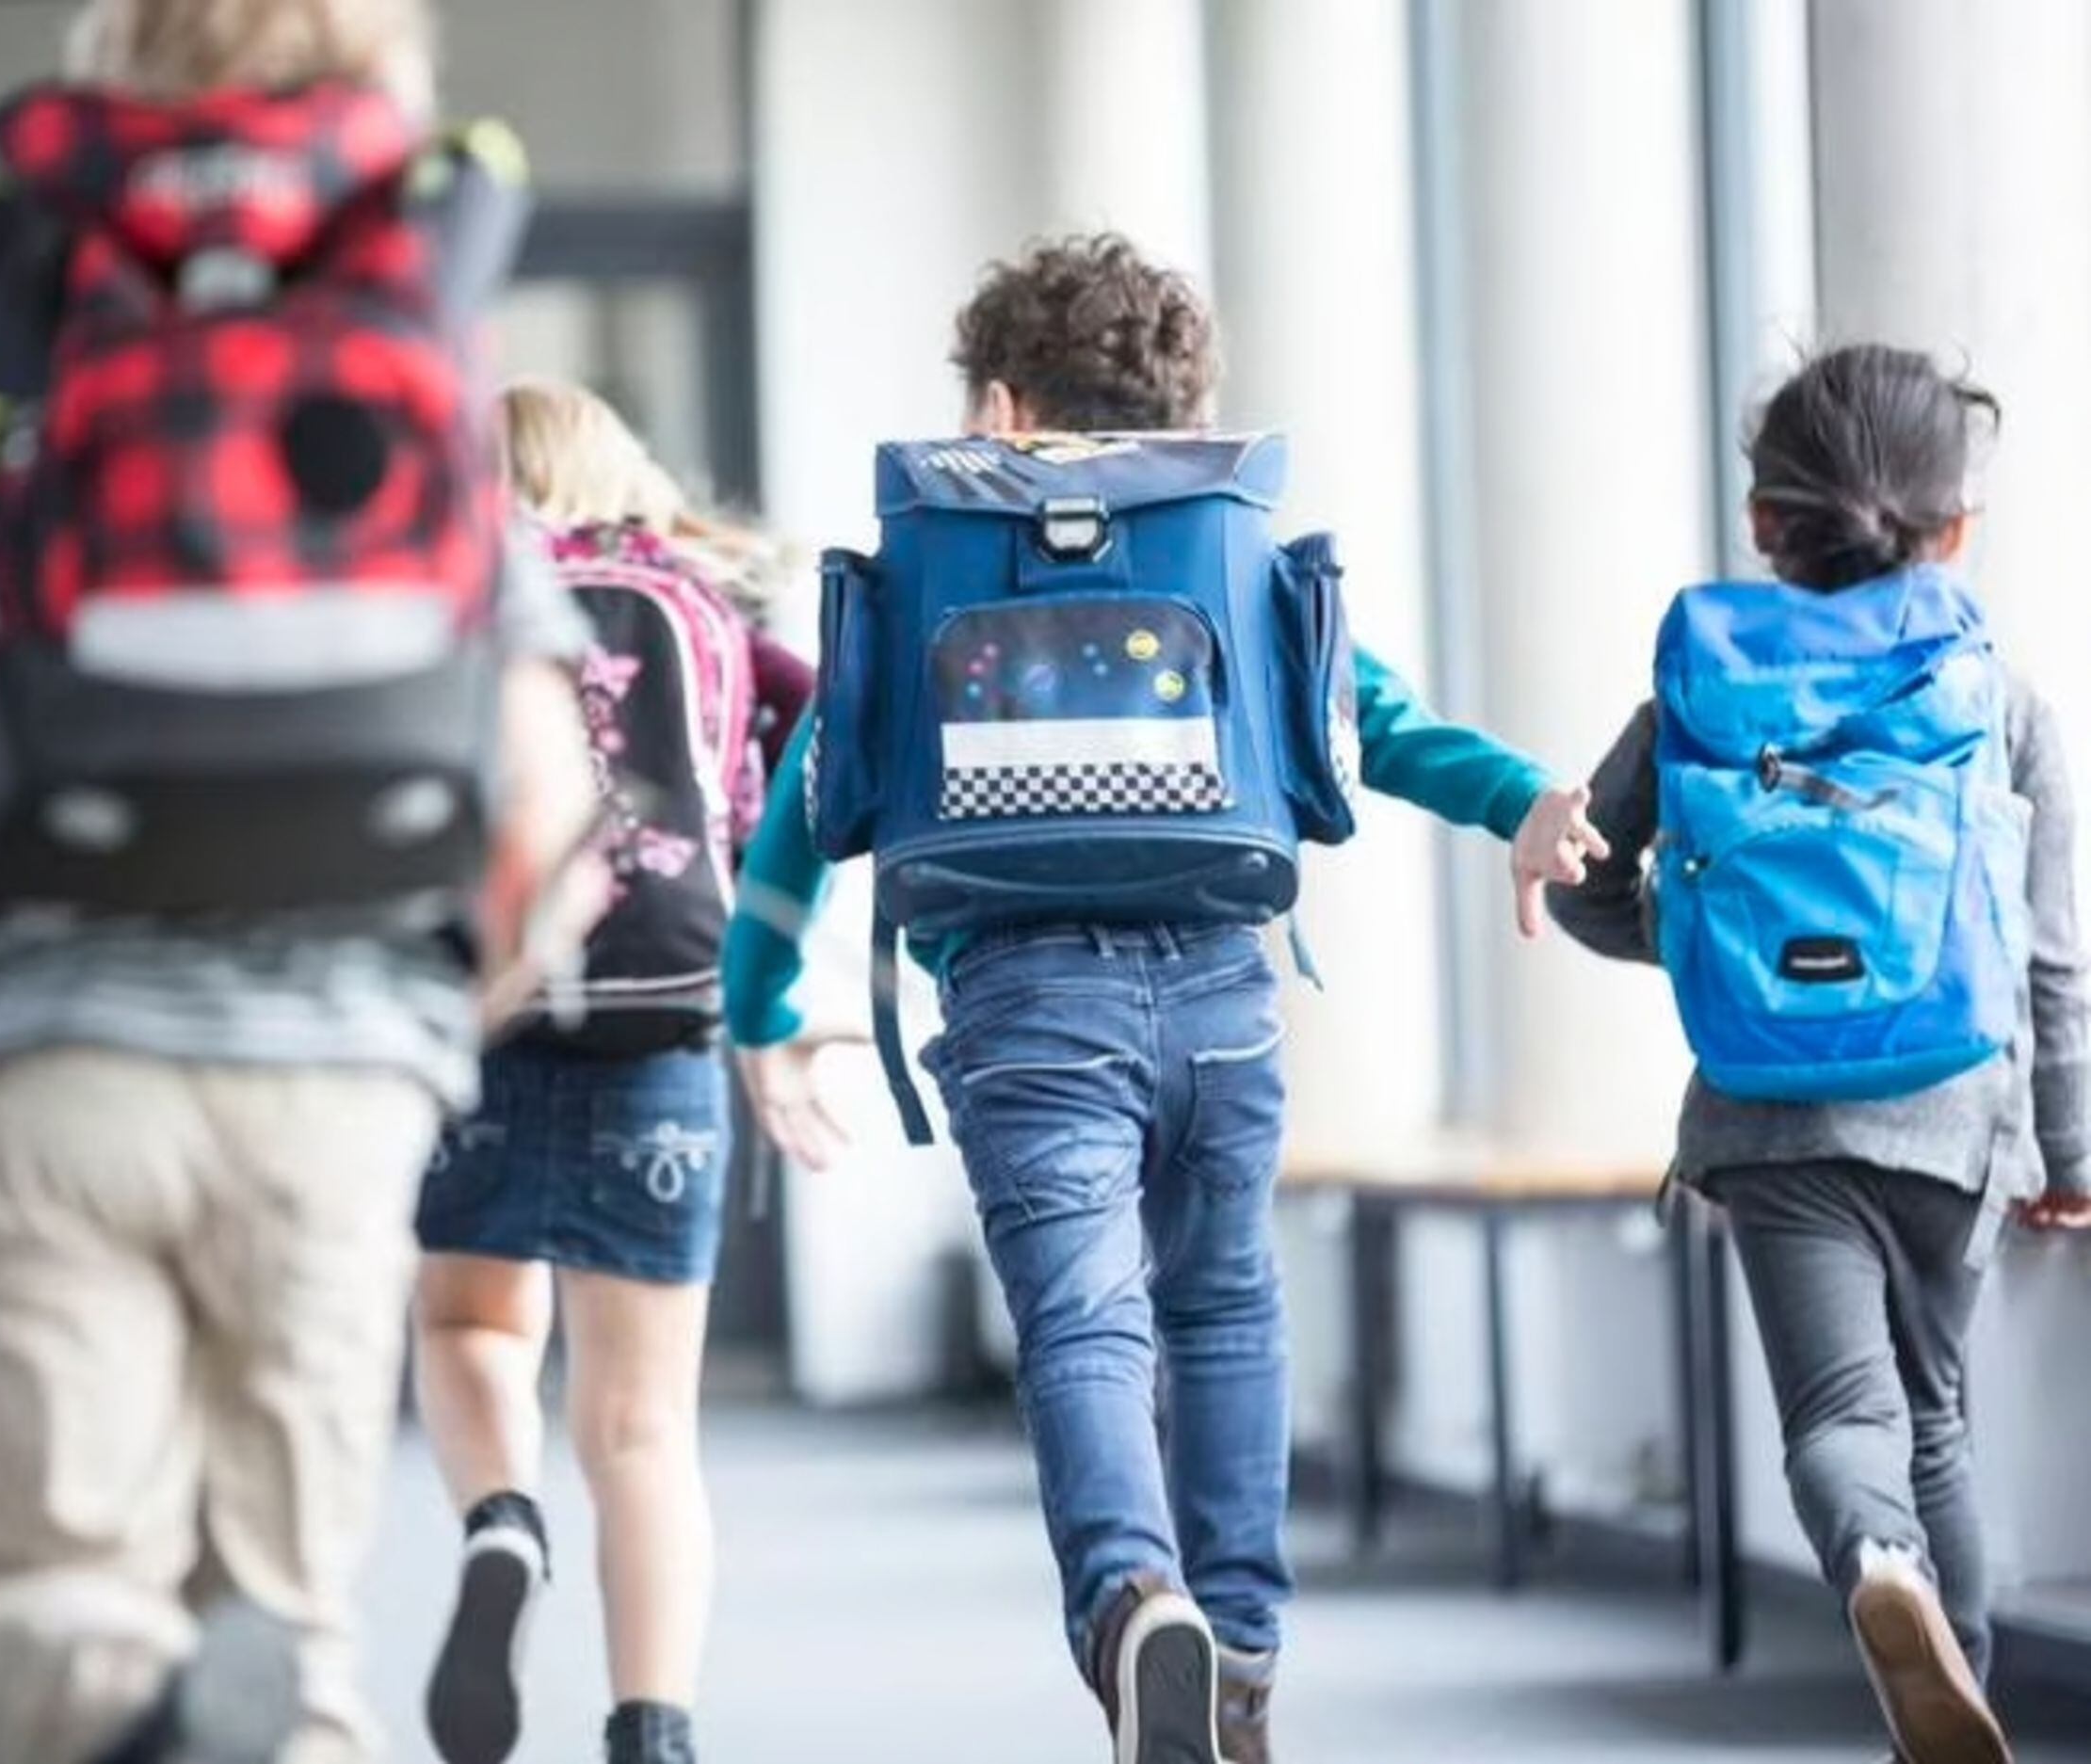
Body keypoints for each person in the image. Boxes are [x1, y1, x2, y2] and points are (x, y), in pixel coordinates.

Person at [0, 4, 604, 1762]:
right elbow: (554, 816)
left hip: (34, 1073)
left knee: (43, 1620)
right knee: (278, 1615)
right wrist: (431, 1025)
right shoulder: (414, 376)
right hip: (333, 1099)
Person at [723, 233, 1606, 1764]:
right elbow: (1372, 716)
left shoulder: (929, 563)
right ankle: (1243, 1647)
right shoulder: (1225, 546)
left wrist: (756, 1010)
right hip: (1220, 992)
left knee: (1085, 1322)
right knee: (1225, 1303)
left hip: (1020, 1003)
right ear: (1187, 412)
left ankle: (1135, 1602)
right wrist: (1521, 796)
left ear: (1000, 410)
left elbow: (803, 812)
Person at [1550, 345, 2091, 1764]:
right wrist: (2071, 1152)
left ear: (1763, 522)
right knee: (1937, 1418)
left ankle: (1875, 1562)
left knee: (1842, 1417)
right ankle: (1956, 1696)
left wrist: (1714, 948)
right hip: (1953, 1112)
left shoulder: (1700, 689)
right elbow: (2050, 960)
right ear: (1954, 529)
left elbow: (1584, 882)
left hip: (1770, 1116)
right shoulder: (2000, 700)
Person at [414, 381, 811, 1764]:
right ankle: (653, 1731)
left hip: (481, 1015)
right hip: (662, 1021)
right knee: (643, 1427)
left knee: (470, 1326)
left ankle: (500, 1522)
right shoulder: (702, 607)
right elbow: (770, 796)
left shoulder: (455, 593)